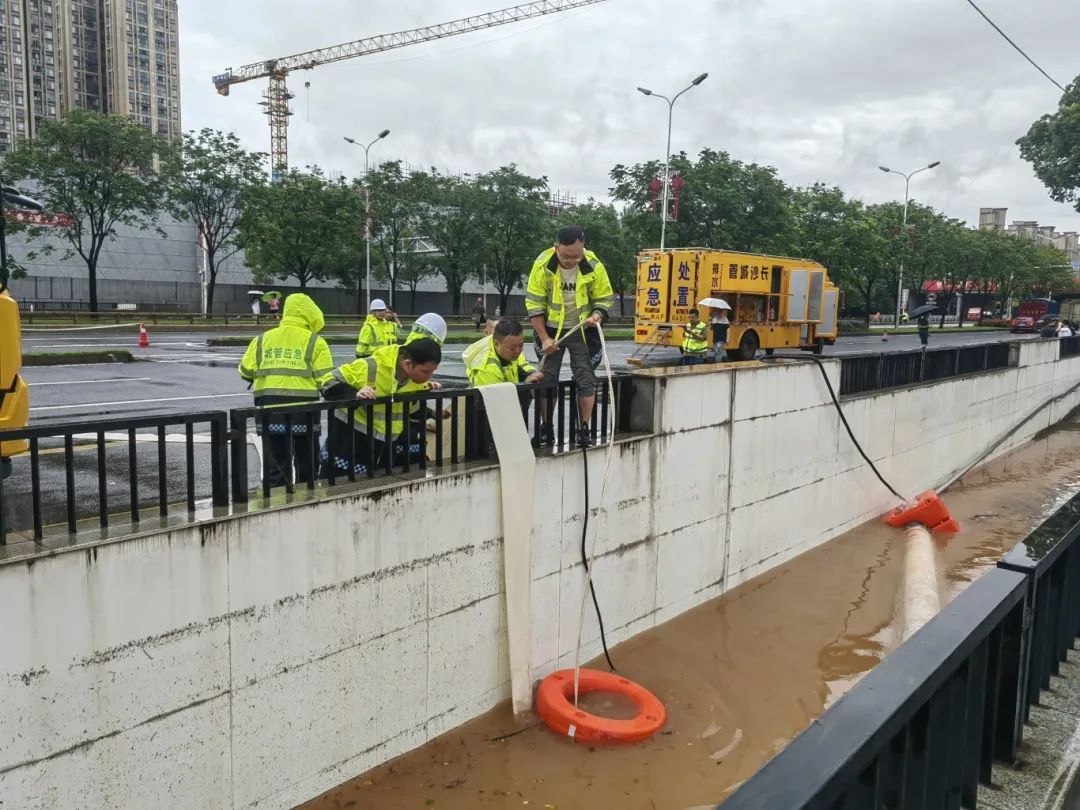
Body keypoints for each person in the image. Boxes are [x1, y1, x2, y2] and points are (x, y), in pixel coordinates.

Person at [526, 224, 615, 448]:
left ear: (583, 248)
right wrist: (544, 338)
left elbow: (604, 298)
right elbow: (534, 304)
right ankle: (546, 429)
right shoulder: (543, 264)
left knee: (586, 379)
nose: (571, 261)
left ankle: (583, 428)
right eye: (566, 256)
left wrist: (597, 314)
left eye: (577, 256)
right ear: (556, 247)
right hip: (551, 331)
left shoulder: (593, 264)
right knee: (546, 379)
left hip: (582, 331)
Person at [238, 293, 334, 489]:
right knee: (307, 465)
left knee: (276, 468)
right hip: (304, 412)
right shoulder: (315, 342)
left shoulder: (262, 339)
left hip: (269, 410)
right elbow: (327, 380)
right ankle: (307, 501)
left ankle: (276, 503)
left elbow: (245, 371)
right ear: (310, 313)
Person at [320, 338, 443, 478]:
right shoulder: (370, 367)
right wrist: (354, 394)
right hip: (348, 444)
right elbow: (327, 382)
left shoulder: (416, 380)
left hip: (383, 450)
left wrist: (427, 397)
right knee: (339, 487)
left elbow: (411, 411)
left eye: (432, 372)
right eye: (425, 372)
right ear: (408, 365)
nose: (429, 377)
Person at [464, 318, 544, 426]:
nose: (517, 351)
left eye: (521, 345)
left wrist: (530, 375)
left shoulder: (506, 351)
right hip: (487, 424)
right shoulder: (487, 368)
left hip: (502, 418)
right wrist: (525, 386)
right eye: (512, 348)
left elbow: (519, 368)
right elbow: (498, 404)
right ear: (496, 343)